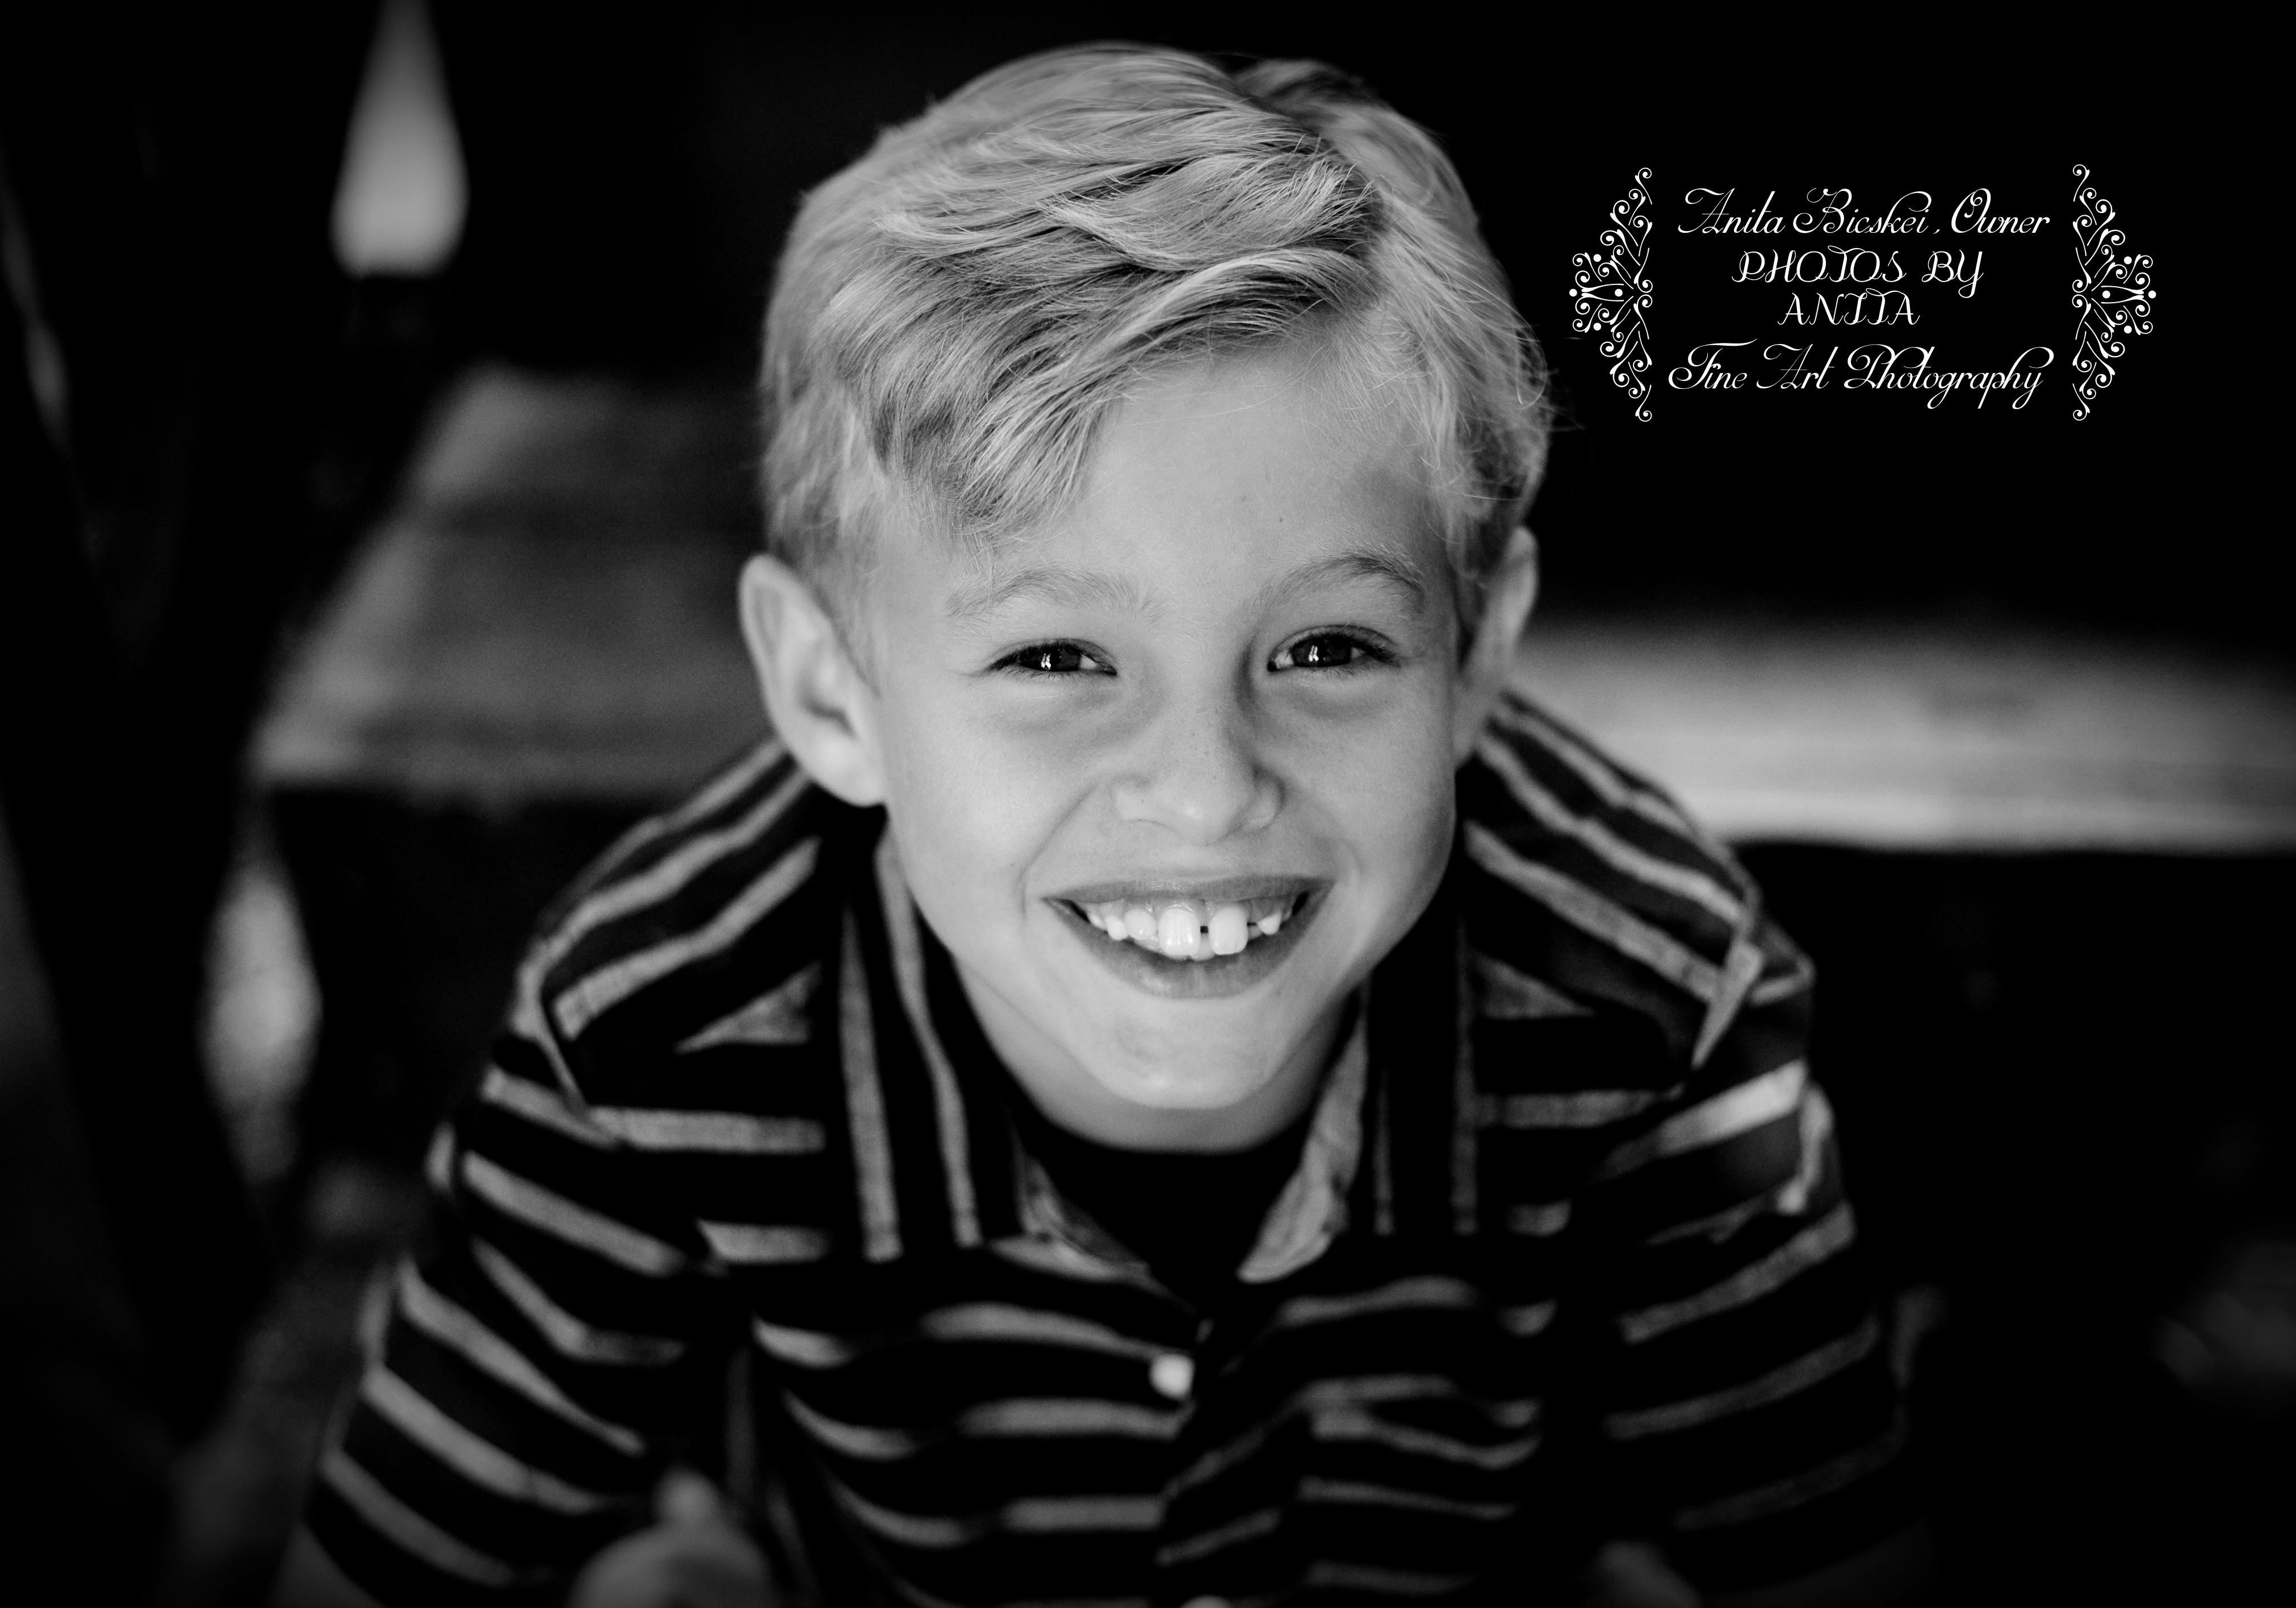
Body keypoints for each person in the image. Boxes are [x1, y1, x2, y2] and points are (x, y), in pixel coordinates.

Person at [275, 44, 1930, 1607]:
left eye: (1327, 650)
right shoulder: (653, 1030)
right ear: (833, 695)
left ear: (1477, 656)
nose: (1205, 792)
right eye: (1058, 660)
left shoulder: (1654, 998)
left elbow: (1835, 1561)